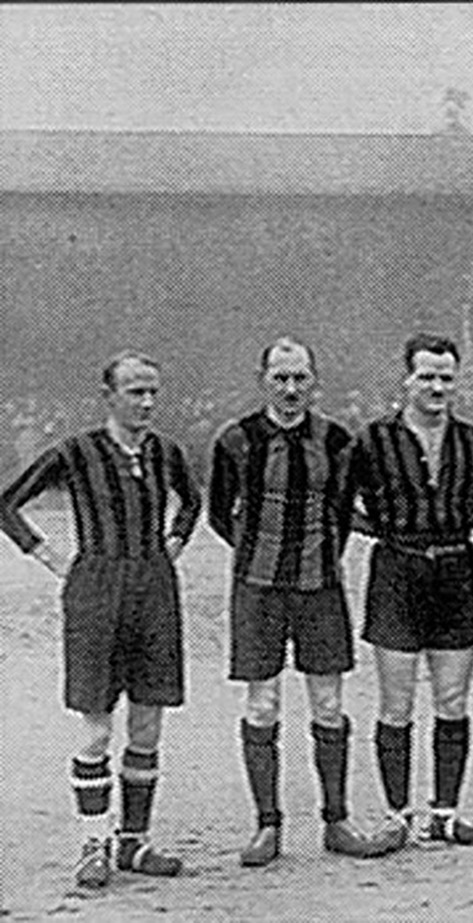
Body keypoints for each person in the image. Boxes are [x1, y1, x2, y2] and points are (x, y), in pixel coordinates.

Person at [0, 351, 201, 888]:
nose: (147, 402)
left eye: (153, 391)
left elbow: (191, 502)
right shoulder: (76, 451)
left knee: (148, 722)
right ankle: (94, 844)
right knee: (96, 725)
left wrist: (174, 543)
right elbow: (7, 504)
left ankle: (134, 842)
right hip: (95, 590)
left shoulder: (165, 452)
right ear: (108, 396)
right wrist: (53, 559)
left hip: (155, 588)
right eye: (135, 392)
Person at [208, 337, 400, 865]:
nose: (290, 389)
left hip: (320, 588)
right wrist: (260, 551)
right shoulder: (236, 440)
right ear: (262, 381)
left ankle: (336, 822)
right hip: (257, 589)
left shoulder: (337, 440)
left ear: (314, 382)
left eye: (300, 379)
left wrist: (321, 554)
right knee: (262, 704)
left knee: (329, 704)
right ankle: (267, 827)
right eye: (280, 379)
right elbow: (220, 514)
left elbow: (345, 509)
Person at [350, 334, 473, 848]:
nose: (437, 387)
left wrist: (447, 528)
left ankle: (446, 814)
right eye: (427, 377)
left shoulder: (472, 441)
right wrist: (388, 530)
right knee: (397, 702)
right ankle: (398, 816)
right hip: (397, 570)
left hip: (455, 571)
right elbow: (341, 501)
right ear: (407, 379)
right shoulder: (374, 440)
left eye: (446, 378)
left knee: (452, 699)